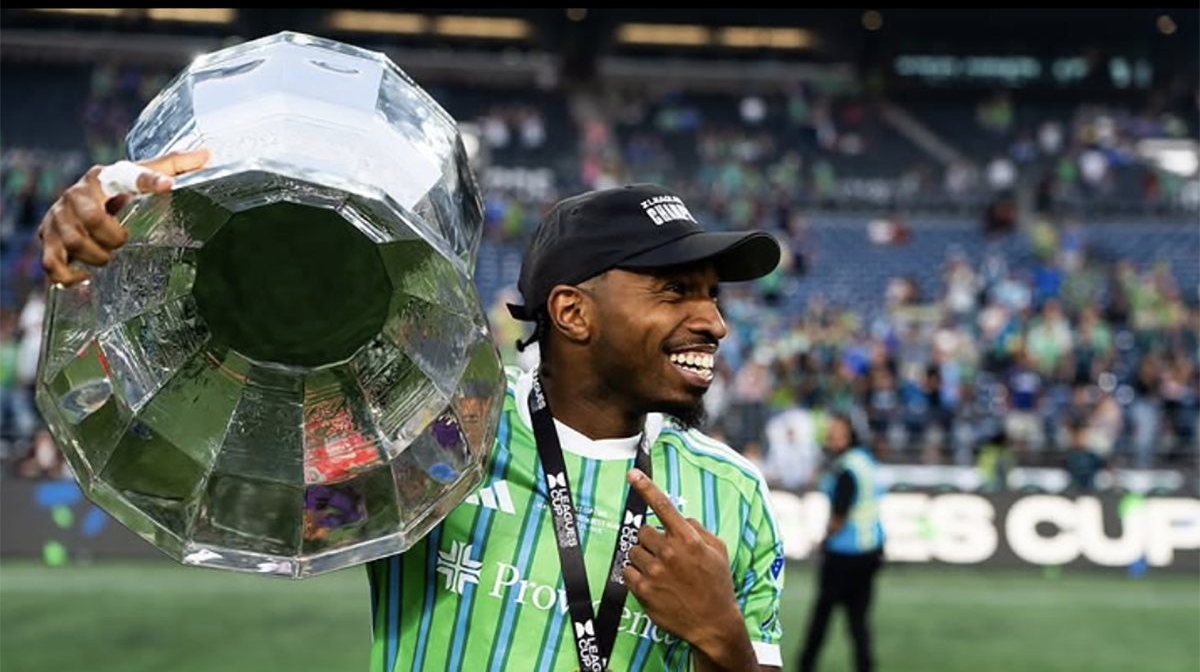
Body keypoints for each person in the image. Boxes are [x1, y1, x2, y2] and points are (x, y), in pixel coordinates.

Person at [38, 150, 789, 672]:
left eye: (713, 295)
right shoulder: (435, 438)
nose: (714, 322)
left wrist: (724, 640)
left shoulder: (735, 498)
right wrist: (108, 250)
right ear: (572, 312)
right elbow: (223, 490)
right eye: (676, 290)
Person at [796, 412, 885, 672]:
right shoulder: (865, 461)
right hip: (870, 551)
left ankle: (806, 665)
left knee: (821, 618)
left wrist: (823, 541)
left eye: (836, 433)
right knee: (858, 621)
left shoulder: (846, 468)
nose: (831, 437)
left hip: (844, 553)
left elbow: (839, 516)